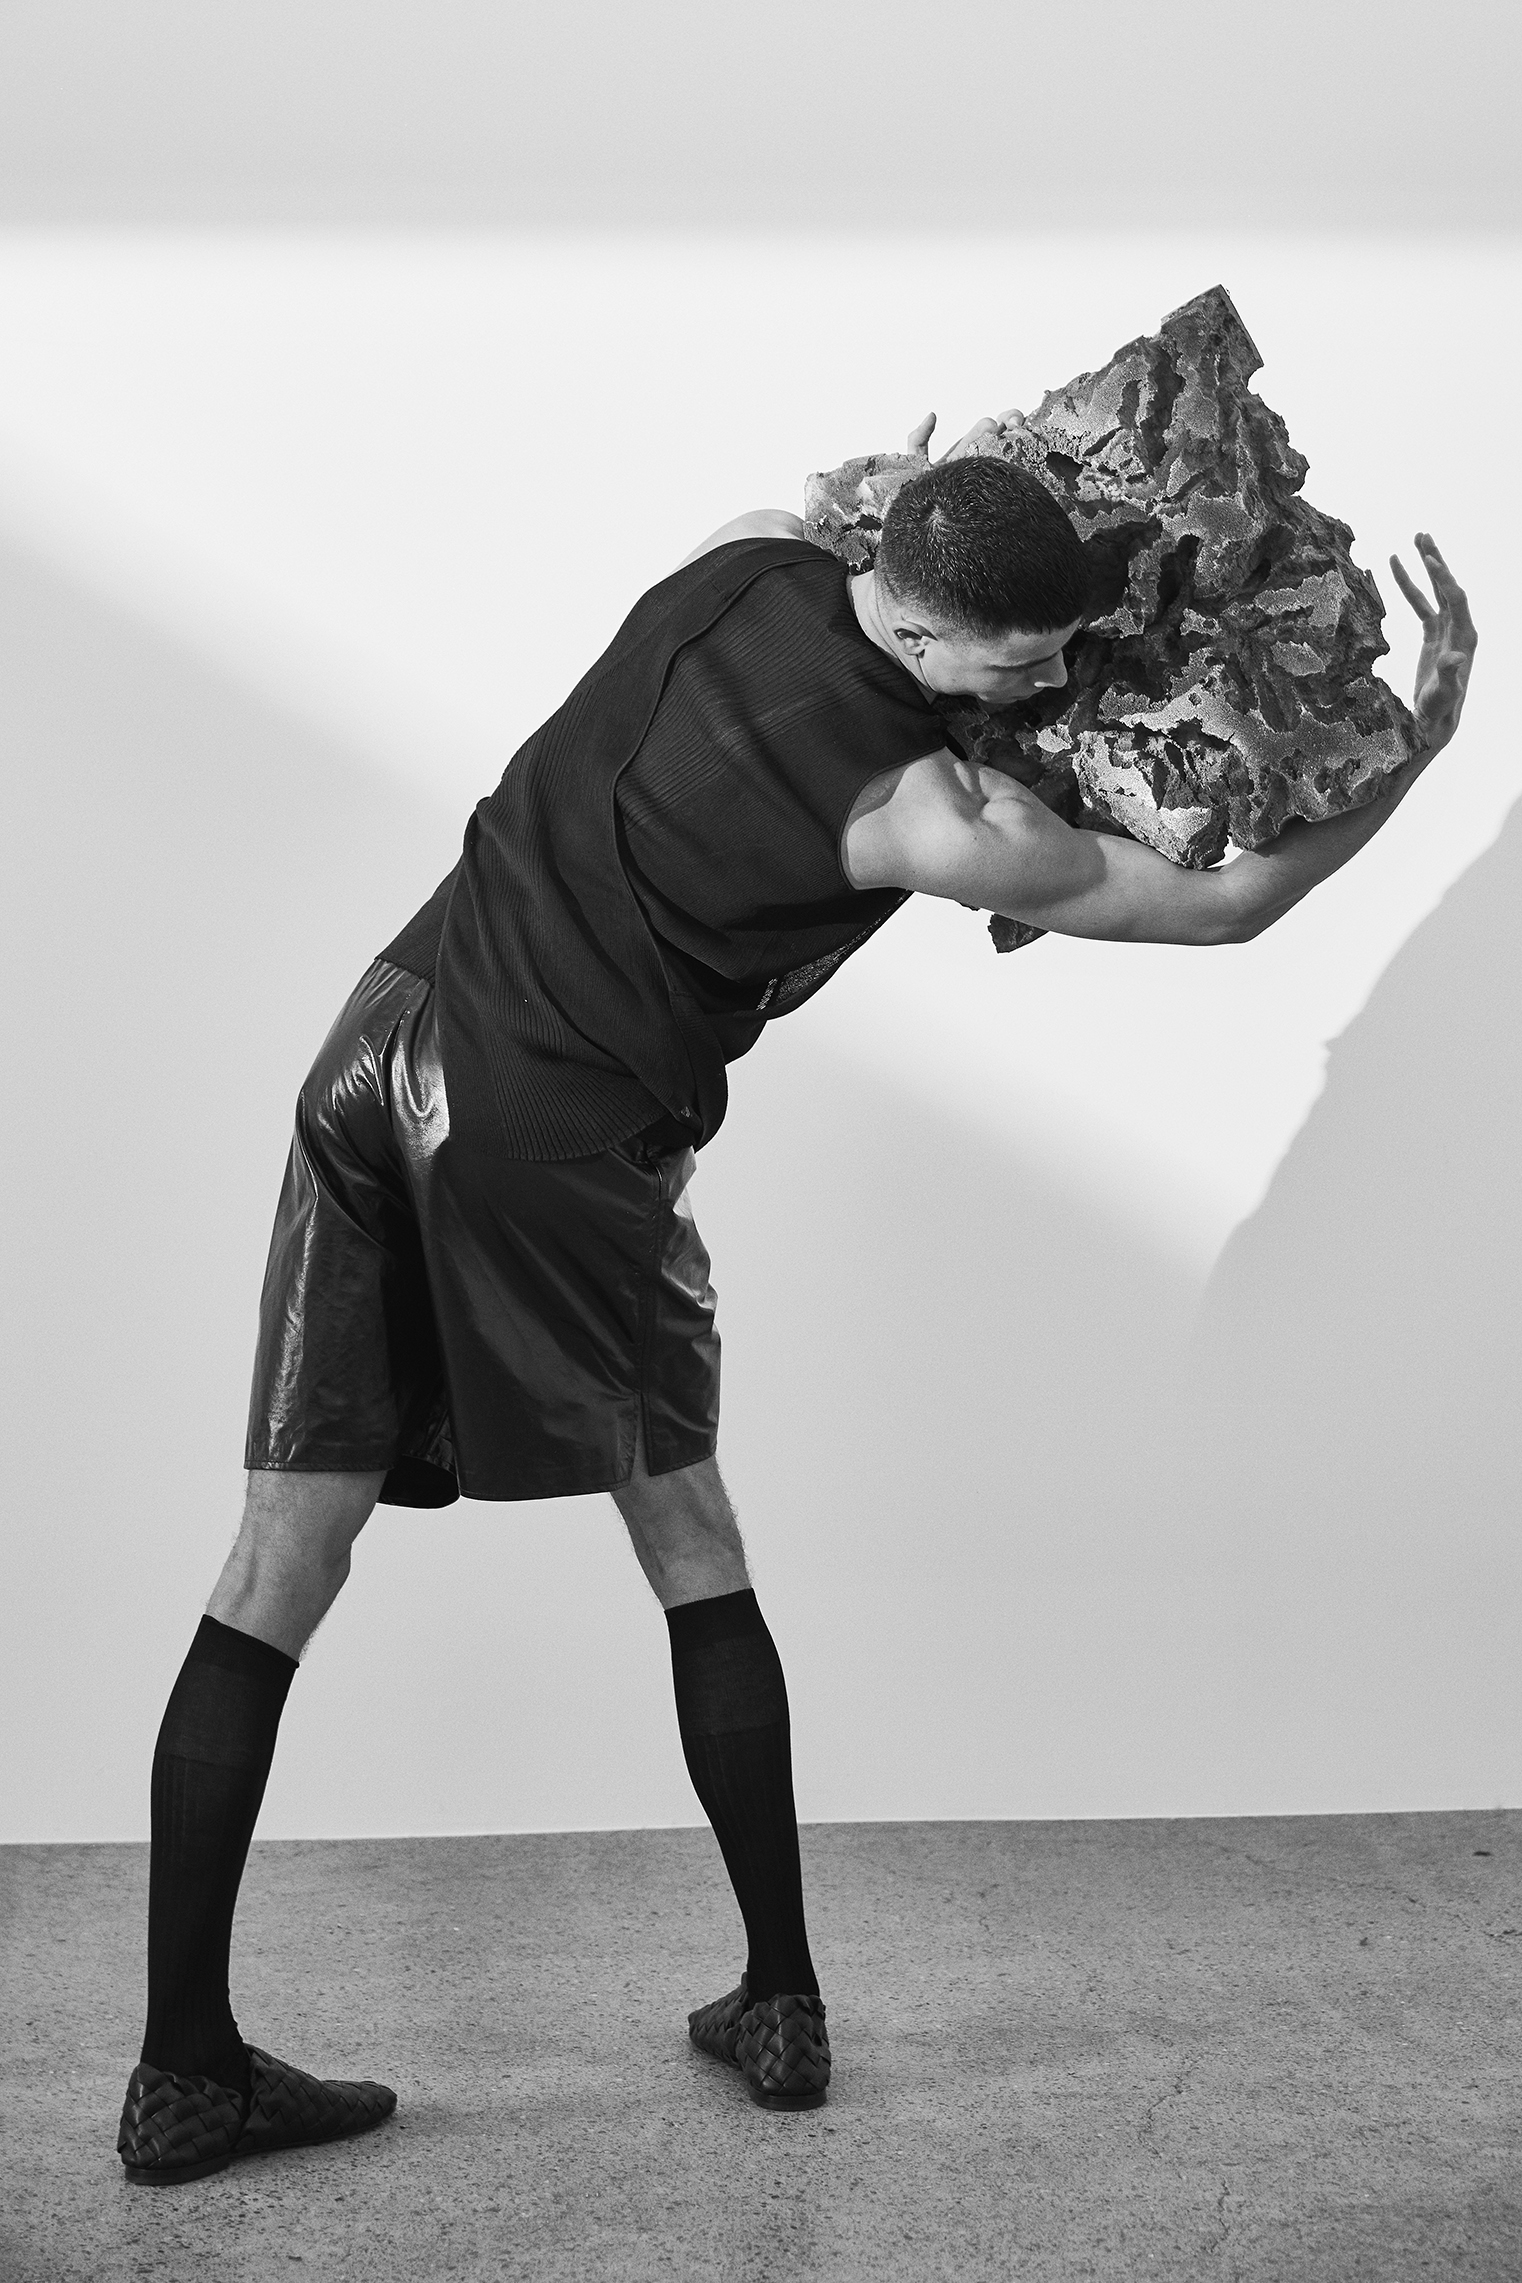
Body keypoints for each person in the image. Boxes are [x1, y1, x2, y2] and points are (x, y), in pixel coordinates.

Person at [116, 411, 1477, 2184]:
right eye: (1016, 657)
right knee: (690, 1537)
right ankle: (778, 2000)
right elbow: (1219, 911)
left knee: (276, 1560)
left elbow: (824, 509)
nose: (1046, 680)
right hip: (550, 1131)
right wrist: (1410, 753)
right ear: (909, 625)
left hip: (378, 1044)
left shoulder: (742, 558)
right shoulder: (922, 814)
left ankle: (182, 2076)